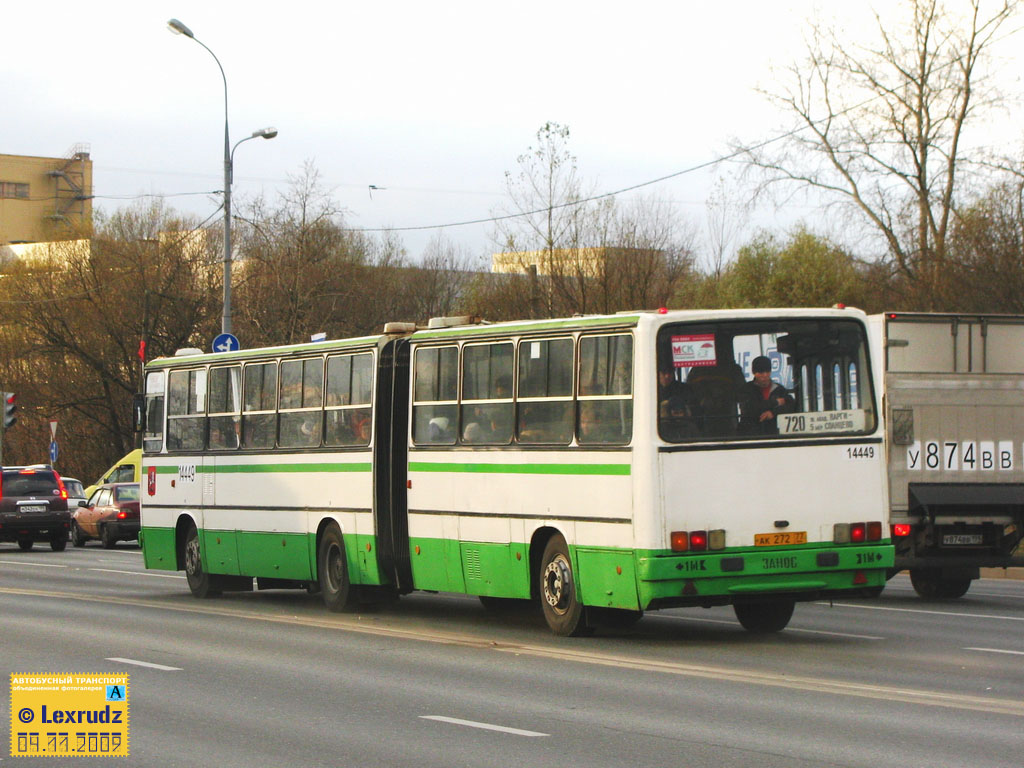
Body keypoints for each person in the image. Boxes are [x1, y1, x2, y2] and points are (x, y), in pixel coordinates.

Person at [738, 355, 795, 435]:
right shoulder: (746, 389)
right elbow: (749, 409)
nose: (765, 375)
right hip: (751, 436)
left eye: (767, 371)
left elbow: (792, 406)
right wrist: (775, 402)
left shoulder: (780, 389)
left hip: (775, 435)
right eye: (761, 372)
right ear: (754, 373)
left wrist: (773, 413)